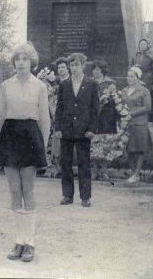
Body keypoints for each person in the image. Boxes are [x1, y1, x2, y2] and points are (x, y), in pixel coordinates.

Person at [0, 42, 49, 263]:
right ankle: (18, 242)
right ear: (14, 62)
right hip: (9, 136)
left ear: (31, 62)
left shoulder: (40, 86)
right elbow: (0, 117)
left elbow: (44, 119)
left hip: (30, 138)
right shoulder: (6, 86)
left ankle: (30, 244)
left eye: (25, 59)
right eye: (17, 59)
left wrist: (43, 147)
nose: (20, 63)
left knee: (28, 190)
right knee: (14, 191)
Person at [55, 52, 99, 207]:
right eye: (71, 65)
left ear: (83, 65)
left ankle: (85, 197)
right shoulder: (64, 84)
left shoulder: (92, 84)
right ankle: (67, 195)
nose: (73, 68)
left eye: (76, 65)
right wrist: (58, 127)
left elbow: (95, 109)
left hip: (84, 130)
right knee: (65, 162)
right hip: (66, 129)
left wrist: (92, 128)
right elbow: (59, 108)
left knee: (84, 163)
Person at [122, 66, 153, 184]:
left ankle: (136, 173)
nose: (129, 78)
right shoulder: (124, 90)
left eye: (132, 76)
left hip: (140, 123)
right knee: (129, 148)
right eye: (128, 76)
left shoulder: (144, 90)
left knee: (140, 149)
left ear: (138, 78)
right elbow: (120, 104)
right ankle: (133, 172)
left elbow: (147, 107)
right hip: (127, 124)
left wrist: (132, 113)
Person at [90, 59, 118, 134]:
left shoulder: (110, 83)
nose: (95, 71)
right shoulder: (89, 82)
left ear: (103, 70)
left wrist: (106, 99)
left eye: (98, 70)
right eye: (94, 69)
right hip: (93, 114)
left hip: (106, 115)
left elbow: (114, 100)